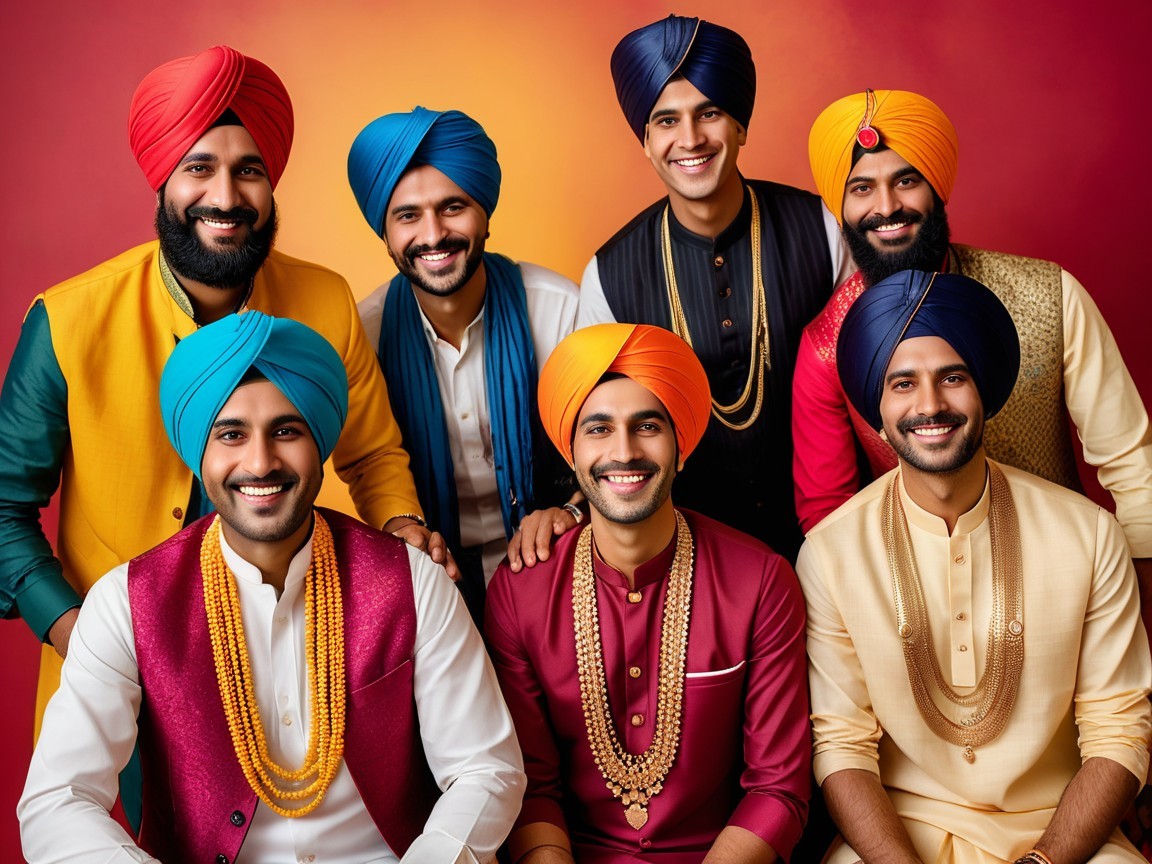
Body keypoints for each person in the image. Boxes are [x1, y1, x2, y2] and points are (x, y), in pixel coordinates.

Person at [0, 45, 442, 732]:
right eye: (198, 168)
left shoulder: (324, 300)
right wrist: (82, 637)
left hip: (291, 669)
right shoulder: (66, 319)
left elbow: (374, 456)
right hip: (108, 694)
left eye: (249, 172)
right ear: (161, 180)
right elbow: (3, 508)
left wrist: (403, 528)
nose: (226, 197)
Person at [18, 311, 525, 864]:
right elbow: (56, 800)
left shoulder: (412, 580)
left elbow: (486, 768)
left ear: (321, 441)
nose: (260, 462)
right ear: (199, 453)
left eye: (286, 430)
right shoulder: (126, 603)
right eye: (231, 434)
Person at [797, 270, 1151, 863]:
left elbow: (1120, 731)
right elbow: (841, 747)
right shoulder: (831, 554)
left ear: (982, 389)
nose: (929, 405)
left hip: (1061, 835)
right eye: (903, 384)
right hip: (899, 837)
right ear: (877, 410)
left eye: (952, 378)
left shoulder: (1087, 536)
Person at [794, 89, 1152, 601]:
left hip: (1068, 580)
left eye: (906, 180)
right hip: (920, 600)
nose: (887, 206)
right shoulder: (827, 345)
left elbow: (1131, 461)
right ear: (840, 206)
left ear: (937, 187)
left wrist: (1142, 581)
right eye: (861, 189)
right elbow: (827, 511)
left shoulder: (1049, 295)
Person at [527, 14, 852, 566]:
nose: (691, 138)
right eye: (666, 121)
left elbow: (865, 382)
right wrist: (569, 506)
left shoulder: (819, 226)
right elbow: (603, 424)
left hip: (832, 534)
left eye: (709, 113)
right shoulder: (609, 272)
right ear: (646, 143)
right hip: (685, 555)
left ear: (741, 126)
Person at [486, 323, 811, 862]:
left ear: (681, 445)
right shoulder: (521, 592)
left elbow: (776, 788)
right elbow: (529, 788)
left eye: (647, 426)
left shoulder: (760, 581)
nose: (624, 451)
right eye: (598, 429)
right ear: (570, 454)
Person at [350, 107, 578, 621]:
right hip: (432, 576)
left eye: (452, 207)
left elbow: (606, 439)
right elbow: (365, 462)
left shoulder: (558, 308)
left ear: (485, 213)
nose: (433, 235)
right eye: (407, 215)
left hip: (561, 561)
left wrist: (568, 512)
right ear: (384, 233)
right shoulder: (364, 335)